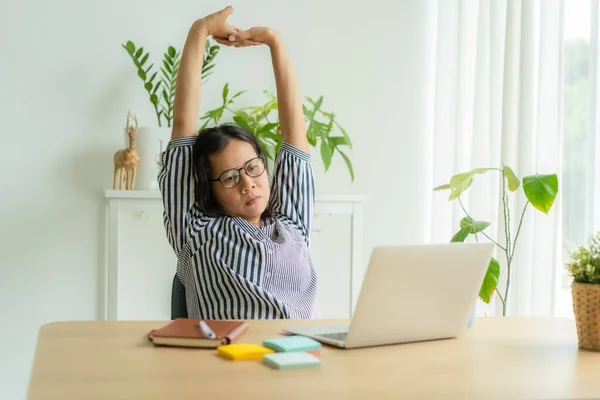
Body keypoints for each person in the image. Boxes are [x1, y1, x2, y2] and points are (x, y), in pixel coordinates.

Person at [158, 6, 320, 319]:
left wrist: (275, 42)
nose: (248, 183)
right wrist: (199, 32)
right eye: (230, 178)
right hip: (229, 361)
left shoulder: (291, 223)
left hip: (300, 356)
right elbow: (182, 125)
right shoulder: (196, 228)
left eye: (252, 168)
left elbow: (295, 134)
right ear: (210, 189)